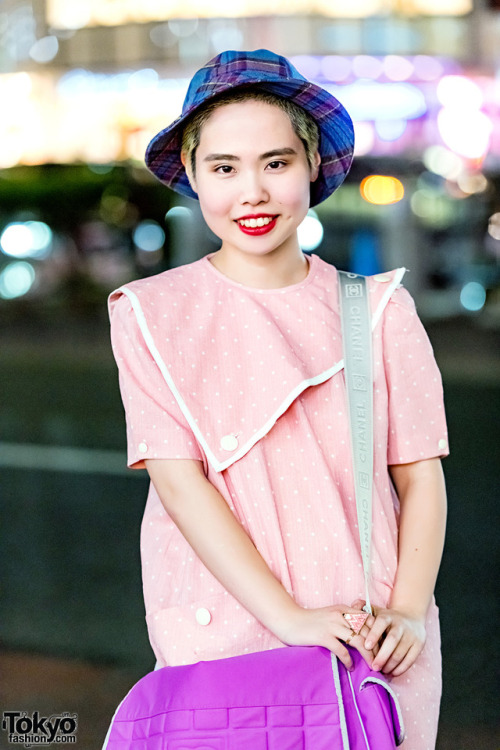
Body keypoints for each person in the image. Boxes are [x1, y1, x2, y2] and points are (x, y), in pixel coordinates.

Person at [108, 49, 449, 750]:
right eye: (224, 168)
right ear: (195, 178)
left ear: (313, 165)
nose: (252, 192)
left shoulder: (377, 309)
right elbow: (180, 484)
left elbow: (421, 477)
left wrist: (410, 612)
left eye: (276, 162)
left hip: (370, 627)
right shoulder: (149, 312)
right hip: (223, 619)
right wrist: (289, 618)